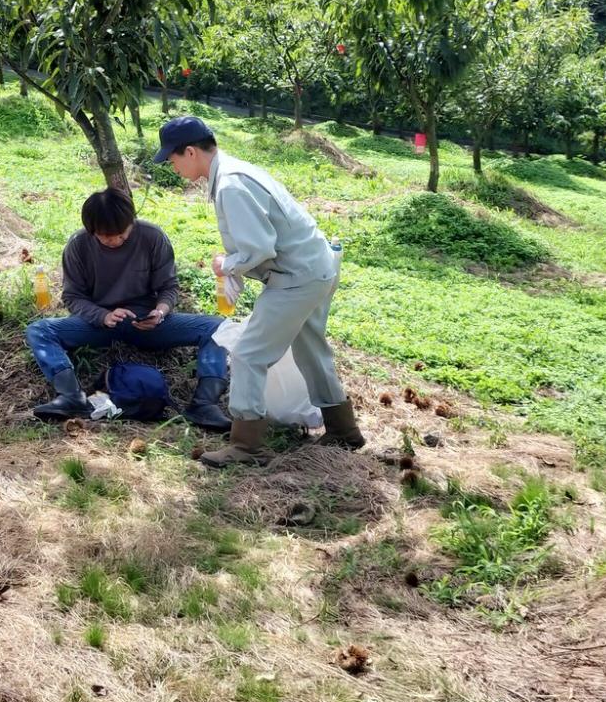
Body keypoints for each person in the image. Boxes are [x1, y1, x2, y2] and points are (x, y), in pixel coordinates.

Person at [153, 115, 362, 467]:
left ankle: (247, 446)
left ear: (189, 152)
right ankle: (344, 431)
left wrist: (227, 265)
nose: (171, 166)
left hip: (296, 277)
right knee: (311, 351)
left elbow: (259, 249)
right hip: (316, 267)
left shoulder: (232, 185)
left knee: (249, 354)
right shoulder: (236, 172)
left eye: (172, 159)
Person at [27, 187, 232, 430]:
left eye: (121, 235)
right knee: (39, 330)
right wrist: (102, 315)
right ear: (91, 231)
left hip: (148, 325)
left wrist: (160, 312)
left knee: (218, 327)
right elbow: (72, 296)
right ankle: (72, 397)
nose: (114, 241)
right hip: (98, 325)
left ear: (131, 223)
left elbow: (169, 287)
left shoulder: (153, 237)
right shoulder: (78, 245)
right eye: (105, 236)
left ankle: (204, 405)